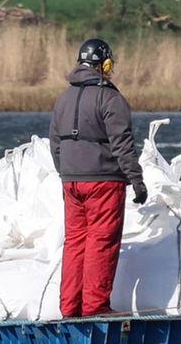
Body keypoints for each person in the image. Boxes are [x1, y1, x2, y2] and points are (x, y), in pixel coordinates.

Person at [49, 38, 147, 318]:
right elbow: (122, 144)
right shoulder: (110, 97)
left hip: (71, 181)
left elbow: (55, 142)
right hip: (104, 181)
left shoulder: (63, 98)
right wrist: (136, 179)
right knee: (101, 241)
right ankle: (95, 308)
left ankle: (70, 309)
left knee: (75, 242)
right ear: (105, 65)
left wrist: (65, 172)